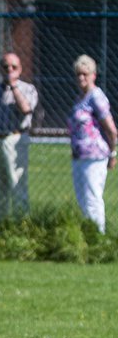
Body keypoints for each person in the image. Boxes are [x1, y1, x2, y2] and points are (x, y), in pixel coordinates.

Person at [0, 52, 39, 223]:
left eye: (14, 67)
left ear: (20, 69)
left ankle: (22, 223)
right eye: (6, 67)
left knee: (17, 184)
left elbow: (26, 109)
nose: (9, 70)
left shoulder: (27, 89)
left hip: (14, 140)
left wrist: (13, 86)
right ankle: (1, 224)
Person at [67, 54, 118, 233]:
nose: (81, 78)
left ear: (93, 75)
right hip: (79, 156)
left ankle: (99, 235)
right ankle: (88, 233)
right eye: (78, 74)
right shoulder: (80, 98)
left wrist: (113, 153)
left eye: (85, 74)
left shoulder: (96, 97)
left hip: (94, 156)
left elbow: (111, 129)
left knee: (93, 198)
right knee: (83, 199)